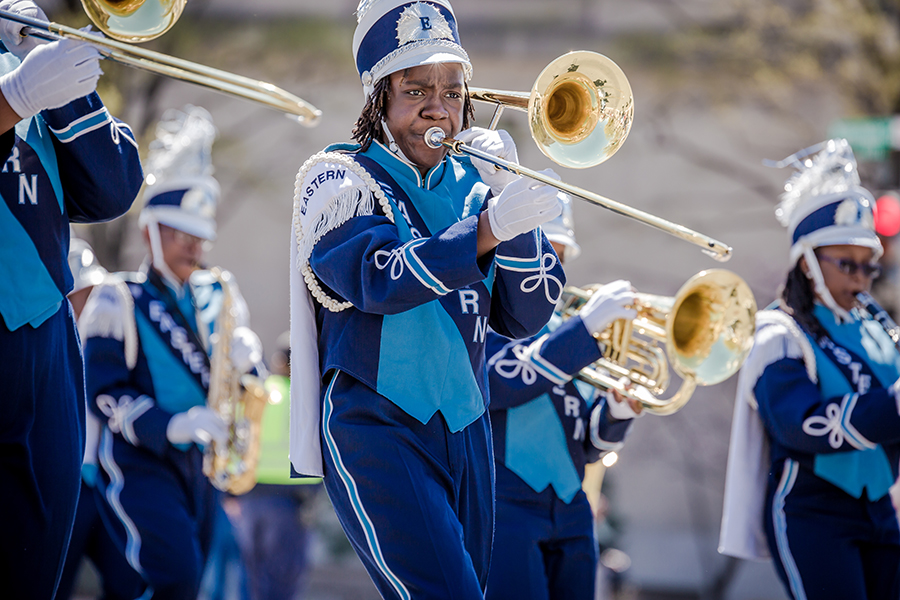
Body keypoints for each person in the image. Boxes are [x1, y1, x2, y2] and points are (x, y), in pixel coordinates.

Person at [289, 0, 565, 596]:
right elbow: (378, 277)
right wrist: (491, 227)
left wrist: (516, 206)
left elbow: (527, 315)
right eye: (416, 90)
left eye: (451, 90)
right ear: (379, 99)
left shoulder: (476, 184)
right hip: (378, 425)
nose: (437, 108)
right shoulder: (339, 177)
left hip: (467, 428)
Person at [80, 106, 264, 600]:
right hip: (139, 462)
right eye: (180, 232)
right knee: (175, 576)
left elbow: (246, 381)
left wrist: (250, 364)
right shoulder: (117, 298)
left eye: (199, 236)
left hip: (201, 467)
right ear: (150, 231)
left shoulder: (221, 295)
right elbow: (103, 394)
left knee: (193, 580)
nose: (192, 246)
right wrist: (171, 424)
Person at [0, 0, 144, 596]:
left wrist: (61, 83)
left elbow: (112, 189)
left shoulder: (23, 54)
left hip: (45, 336)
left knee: (36, 563)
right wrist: (15, 96)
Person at [719, 138, 900, 599]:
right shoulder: (777, 335)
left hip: (881, 509)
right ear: (807, 263)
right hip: (812, 513)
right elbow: (803, 426)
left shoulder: (876, 331)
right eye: (847, 264)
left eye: (868, 267)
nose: (861, 279)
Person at [484, 196, 643, 600]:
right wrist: (584, 329)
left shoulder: (571, 328)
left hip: (571, 506)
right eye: (541, 251)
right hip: (508, 501)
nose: (551, 267)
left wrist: (617, 410)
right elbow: (499, 383)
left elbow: (589, 445)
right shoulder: (488, 315)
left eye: (558, 255)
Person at [56, 235, 145, 600]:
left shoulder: (108, 340)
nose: (91, 300)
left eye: (93, 290)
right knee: (51, 583)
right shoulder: (47, 350)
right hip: (65, 486)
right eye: (83, 292)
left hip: (108, 485)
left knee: (127, 582)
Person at [229, 331, 321, 600]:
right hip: (292, 502)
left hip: (249, 495)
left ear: (279, 361)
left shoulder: (258, 394)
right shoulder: (311, 399)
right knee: (283, 579)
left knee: (252, 576)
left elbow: (236, 440)